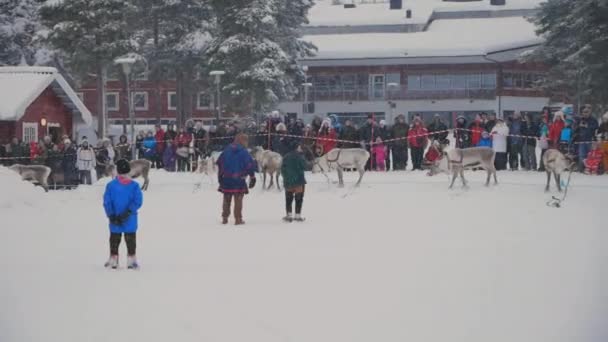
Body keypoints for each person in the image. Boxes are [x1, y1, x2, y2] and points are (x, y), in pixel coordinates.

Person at [102, 159, 144, 269]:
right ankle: (131, 260)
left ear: (118, 171)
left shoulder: (111, 185)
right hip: (130, 218)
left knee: (114, 239)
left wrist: (111, 215)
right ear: (129, 171)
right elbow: (138, 201)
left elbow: (107, 202)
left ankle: (113, 259)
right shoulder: (134, 186)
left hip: (115, 218)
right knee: (130, 240)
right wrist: (128, 212)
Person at [217, 134, 257, 225]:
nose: (247, 143)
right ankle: (238, 219)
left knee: (226, 199)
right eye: (246, 141)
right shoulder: (244, 152)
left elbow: (220, 163)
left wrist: (220, 176)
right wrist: (252, 176)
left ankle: (224, 218)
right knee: (238, 199)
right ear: (242, 141)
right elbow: (249, 165)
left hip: (226, 178)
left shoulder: (227, 150)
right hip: (239, 179)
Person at [281, 142, 307, 223]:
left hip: (288, 181)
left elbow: (282, 169)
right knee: (299, 198)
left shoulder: (285, 157)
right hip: (299, 181)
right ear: (296, 148)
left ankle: (289, 215)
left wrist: (286, 177)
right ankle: (297, 215)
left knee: (288, 199)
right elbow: (305, 167)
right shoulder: (300, 157)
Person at [575, 106, 599, 171]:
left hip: (590, 141)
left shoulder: (593, 119)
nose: (585, 113)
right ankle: (581, 169)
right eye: (583, 112)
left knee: (591, 156)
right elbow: (575, 129)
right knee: (581, 155)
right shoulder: (580, 119)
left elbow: (596, 128)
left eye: (586, 112)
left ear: (589, 112)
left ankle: (591, 169)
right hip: (581, 140)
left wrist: (587, 126)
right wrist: (578, 126)